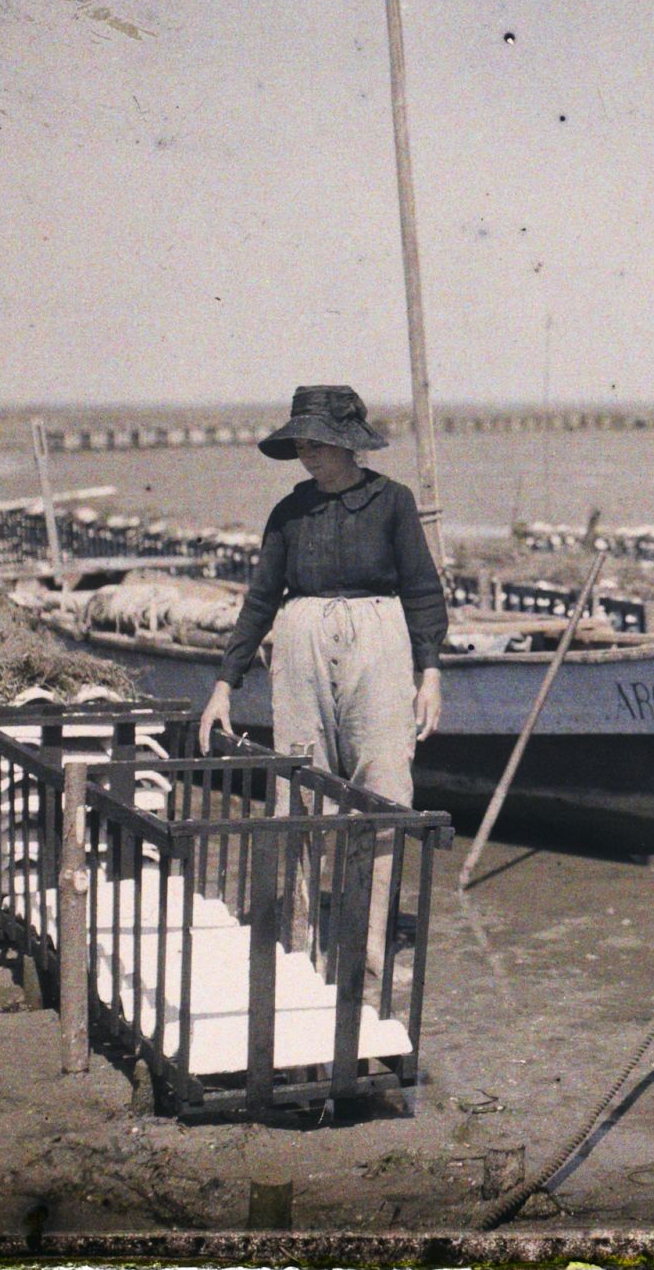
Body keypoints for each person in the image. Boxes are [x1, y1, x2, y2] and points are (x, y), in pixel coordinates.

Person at [197, 384, 447, 976]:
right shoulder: (289, 512)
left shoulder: (394, 502)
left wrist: (429, 672)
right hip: (301, 640)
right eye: (302, 444)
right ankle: (301, 943)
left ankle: (371, 947)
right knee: (299, 787)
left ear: (349, 446)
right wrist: (224, 683)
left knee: (383, 784)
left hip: (379, 641)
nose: (309, 455)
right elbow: (260, 600)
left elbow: (422, 590)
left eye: (320, 444)